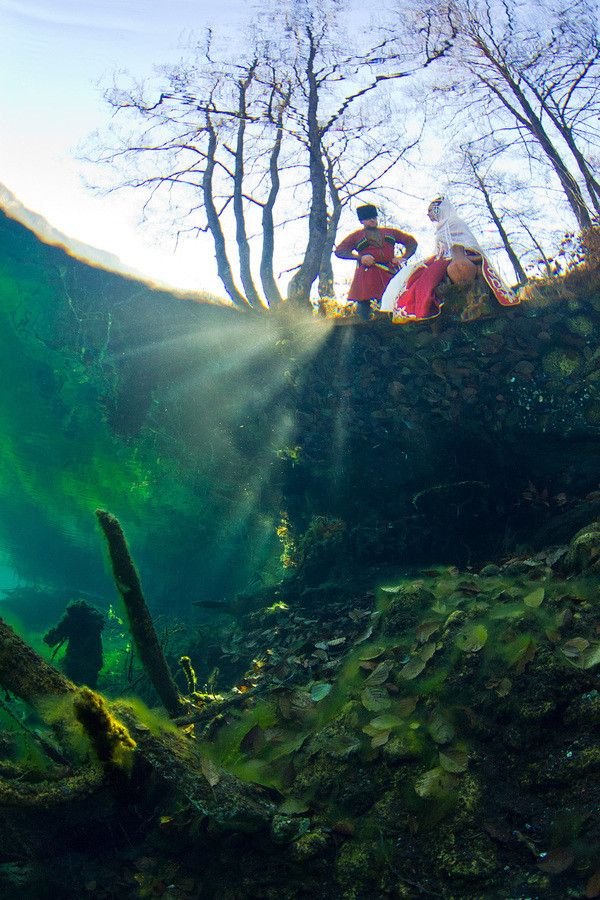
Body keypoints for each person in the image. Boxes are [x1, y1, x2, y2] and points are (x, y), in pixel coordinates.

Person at [380, 196, 520, 323]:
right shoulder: (441, 226)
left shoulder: (453, 222)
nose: (427, 214)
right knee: (410, 273)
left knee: (427, 274)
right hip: (444, 257)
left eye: (430, 210)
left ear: (438, 210)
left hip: (460, 255)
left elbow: (466, 244)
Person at [334, 204, 418, 320]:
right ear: (362, 221)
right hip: (368, 277)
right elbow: (340, 251)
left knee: (396, 301)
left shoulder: (390, 232)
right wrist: (360, 258)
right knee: (365, 309)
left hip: (390, 273)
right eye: (368, 218)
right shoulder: (356, 236)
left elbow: (411, 242)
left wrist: (403, 257)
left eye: (374, 217)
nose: (372, 220)